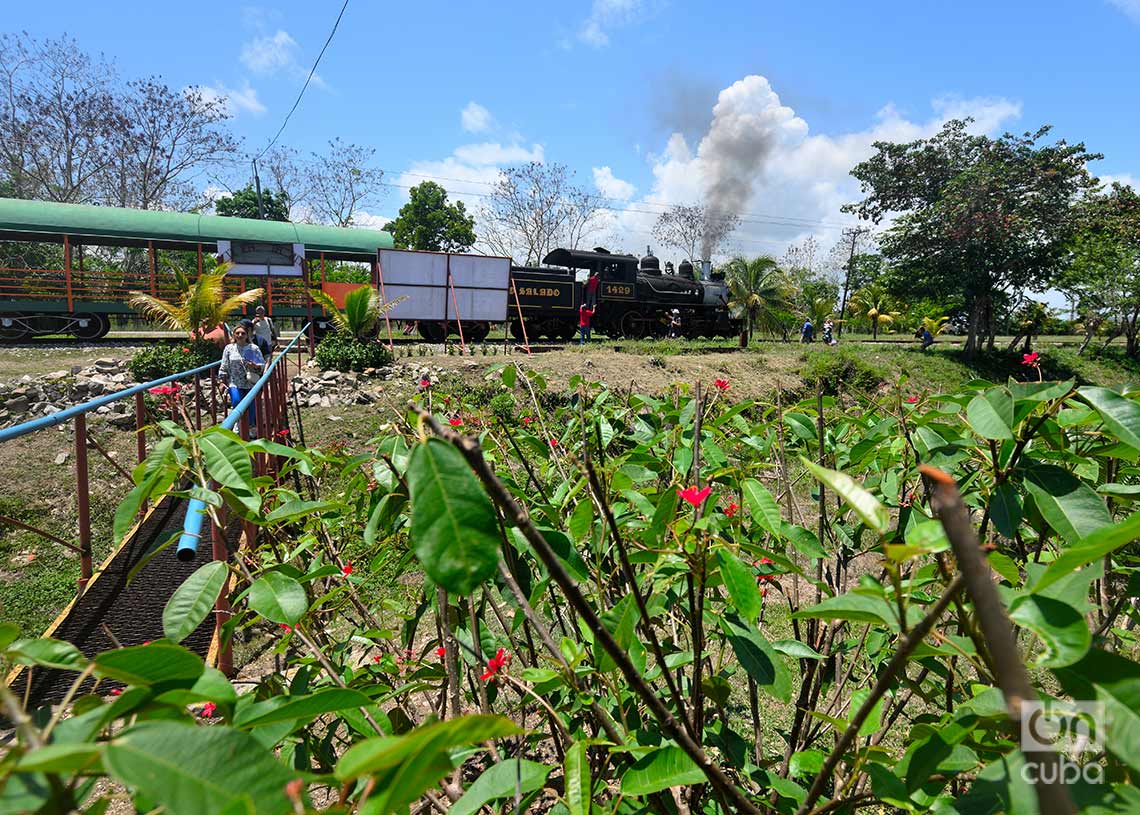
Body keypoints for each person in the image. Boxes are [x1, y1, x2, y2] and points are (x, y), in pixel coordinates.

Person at [219, 323, 265, 434]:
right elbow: (224, 364)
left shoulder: (253, 348)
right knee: (236, 401)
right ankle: (238, 423)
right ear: (234, 335)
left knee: (251, 405)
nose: (240, 335)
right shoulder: (229, 348)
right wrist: (221, 380)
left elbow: (261, 365)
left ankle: (250, 427)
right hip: (235, 382)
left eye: (243, 333)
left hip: (250, 382)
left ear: (247, 335)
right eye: (237, 333)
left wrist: (254, 365)